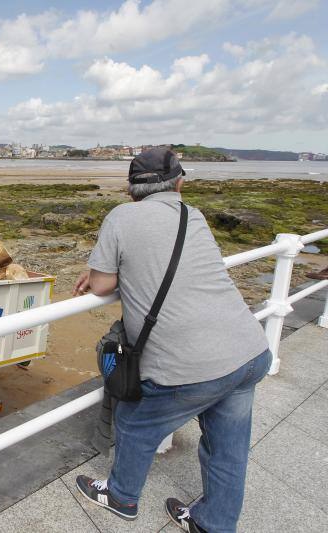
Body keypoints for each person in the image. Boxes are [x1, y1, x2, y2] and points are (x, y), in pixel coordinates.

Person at [71, 147, 271, 533]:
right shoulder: (192, 215)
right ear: (179, 183)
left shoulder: (121, 217)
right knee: (227, 448)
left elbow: (101, 283)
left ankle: (121, 496)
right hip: (249, 350)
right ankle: (213, 522)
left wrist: (95, 268)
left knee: (134, 422)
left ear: (130, 189)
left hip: (193, 366)